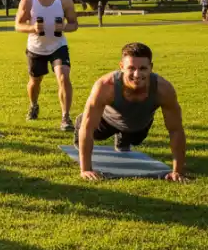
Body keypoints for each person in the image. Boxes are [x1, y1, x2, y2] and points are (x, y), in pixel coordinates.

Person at [75, 43, 188, 182]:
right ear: (121, 67)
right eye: (131, 68)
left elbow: (176, 130)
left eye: (143, 68)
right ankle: (79, 123)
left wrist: (177, 171)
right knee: (90, 129)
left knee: (136, 139)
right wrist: (85, 169)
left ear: (151, 67)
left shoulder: (163, 89)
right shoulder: (105, 86)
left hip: (138, 124)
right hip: (107, 121)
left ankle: (123, 136)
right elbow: (88, 127)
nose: (137, 74)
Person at [15, 0, 80, 131]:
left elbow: (74, 24)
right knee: (35, 82)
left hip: (58, 46)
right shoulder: (28, 0)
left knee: (64, 77)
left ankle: (65, 117)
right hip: (35, 48)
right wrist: (32, 28)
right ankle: (33, 105)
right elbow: (18, 25)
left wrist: (64, 27)